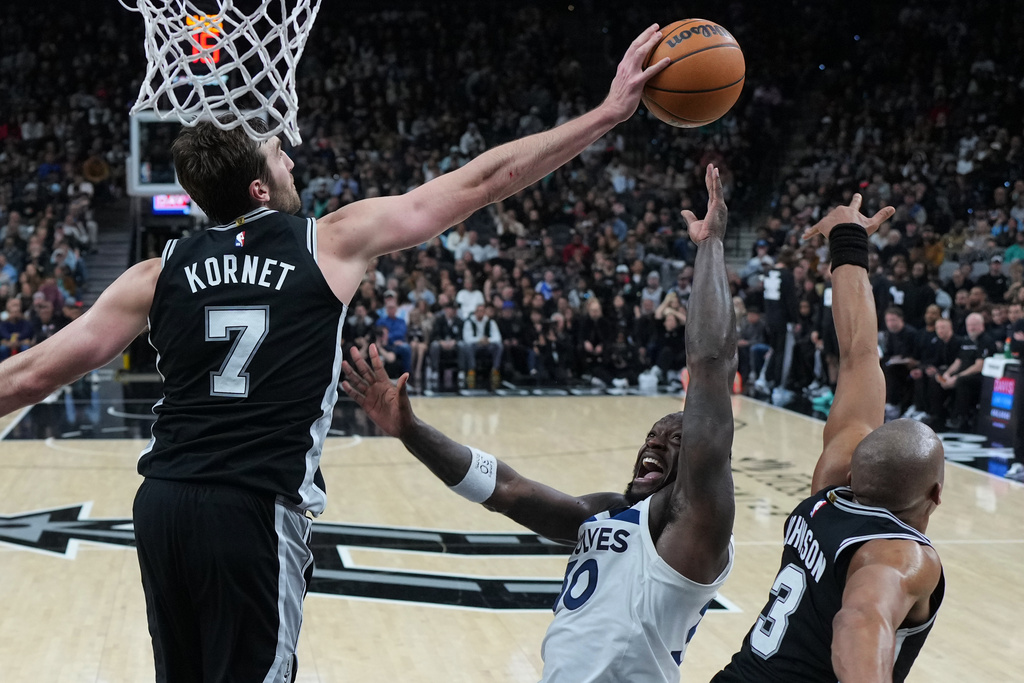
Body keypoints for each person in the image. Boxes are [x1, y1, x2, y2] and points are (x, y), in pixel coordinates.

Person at [0, 25, 673, 683]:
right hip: (253, 510)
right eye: (277, 154)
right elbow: (482, 182)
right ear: (261, 189)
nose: (290, 156)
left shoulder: (155, 272)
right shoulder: (329, 241)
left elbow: (30, 375)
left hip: (163, 505)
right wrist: (606, 114)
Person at [342, 165, 736, 682]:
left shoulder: (693, 519)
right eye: (651, 437)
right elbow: (505, 489)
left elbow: (708, 364)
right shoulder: (608, 513)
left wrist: (710, 246)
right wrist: (411, 432)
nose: (654, 445)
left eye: (674, 440)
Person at [713, 195, 945, 683]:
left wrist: (848, 242)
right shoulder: (901, 554)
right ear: (936, 494)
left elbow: (860, 352)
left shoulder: (829, 490)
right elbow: (859, 622)